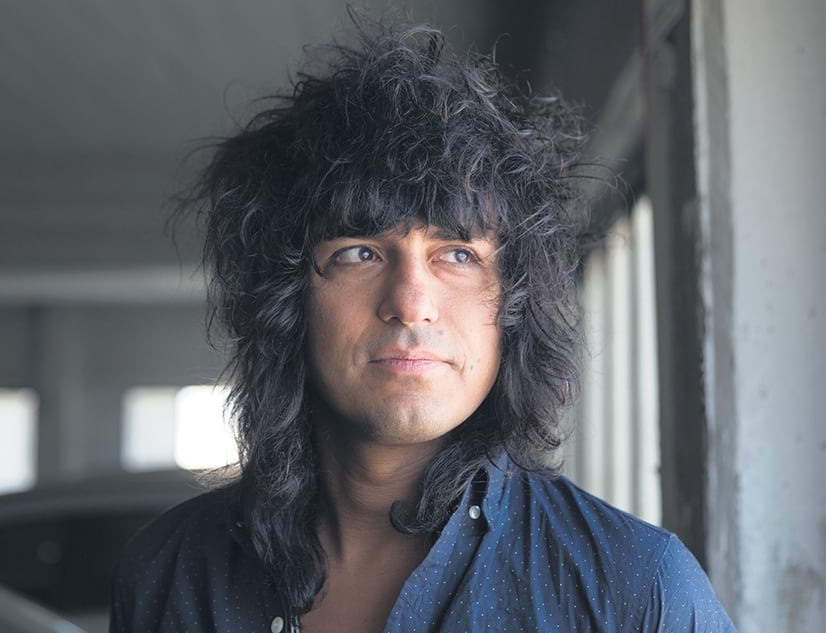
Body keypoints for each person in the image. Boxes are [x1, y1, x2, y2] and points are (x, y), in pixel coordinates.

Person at [110, 20, 736, 633]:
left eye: (458, 254)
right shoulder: (170, 574)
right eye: (360, 253)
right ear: (287, 297)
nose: (411, 303)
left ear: (515, 302)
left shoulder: (635, 588)